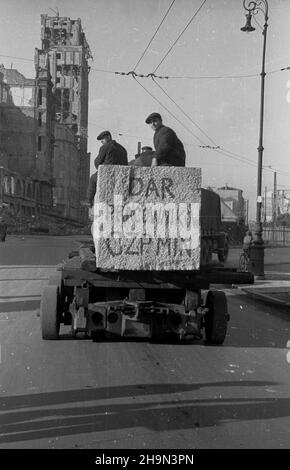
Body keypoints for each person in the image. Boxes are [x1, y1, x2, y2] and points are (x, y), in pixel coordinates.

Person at [86, 131, 128, 207]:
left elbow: (97, 164)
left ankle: (88, 201)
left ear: (108, 137)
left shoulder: (105, 147)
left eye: (102, 139)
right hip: (121, 174)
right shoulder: (123, 149)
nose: (101, 141)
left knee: (92, 178)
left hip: (108, 173)